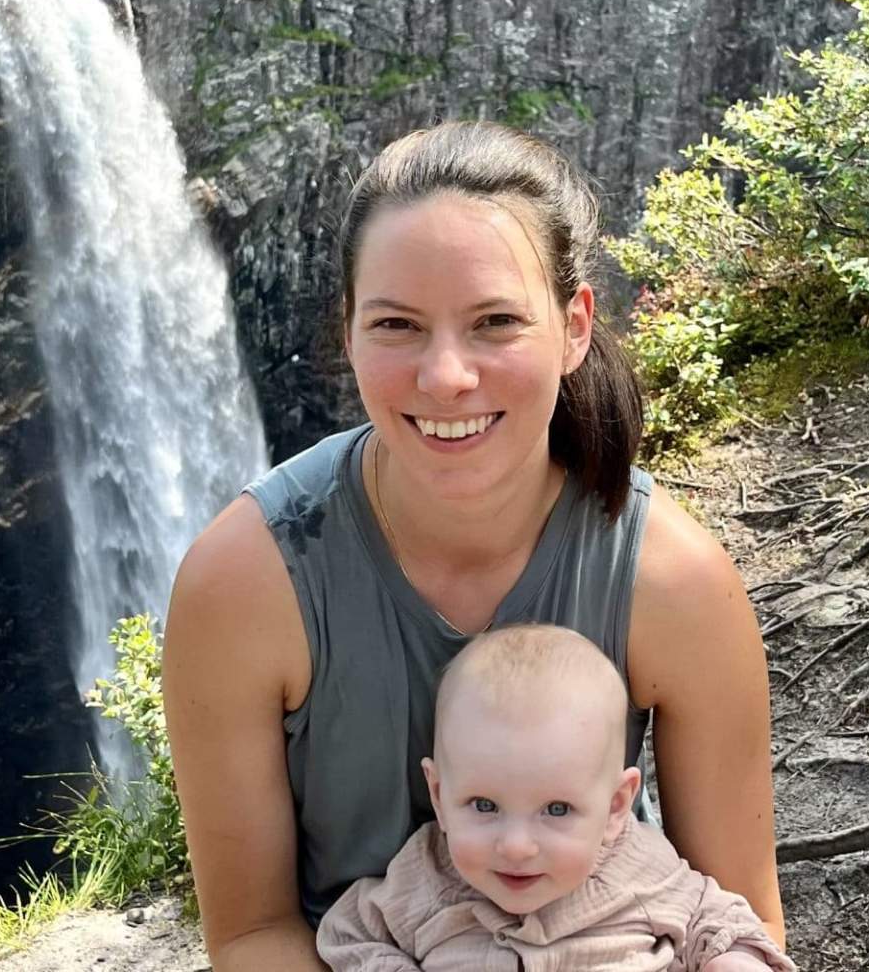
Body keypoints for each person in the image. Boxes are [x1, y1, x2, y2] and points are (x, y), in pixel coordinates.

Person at [161, 121, 783, 971]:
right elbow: (251, 934)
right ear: (348, 331)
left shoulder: (673, 584)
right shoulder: (245, 583)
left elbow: (743, 920)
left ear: (573, 328)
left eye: (495, 321)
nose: (445, 377)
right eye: (397, 324)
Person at [316, 624, 795, 971]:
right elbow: (348, 934)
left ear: (615, 807)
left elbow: (718, 916)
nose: (516, 846)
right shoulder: (424, 877)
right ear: (439, 796)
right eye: (484, 806)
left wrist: (734, 959)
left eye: (557, 810)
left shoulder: (640, 870)